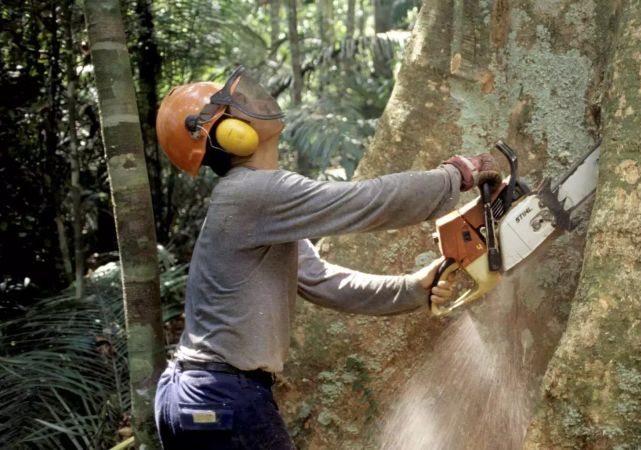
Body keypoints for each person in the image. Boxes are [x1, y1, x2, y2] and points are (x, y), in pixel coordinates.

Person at [152, 65, 500, 449]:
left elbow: (321, 280)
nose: (252, 100)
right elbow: (365, 202)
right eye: (237, 105)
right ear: (228, 135)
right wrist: (455, 176)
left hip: (191, 395)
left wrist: (412, 288)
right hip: (222, 396)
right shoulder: (252, 193)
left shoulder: (258, 206)